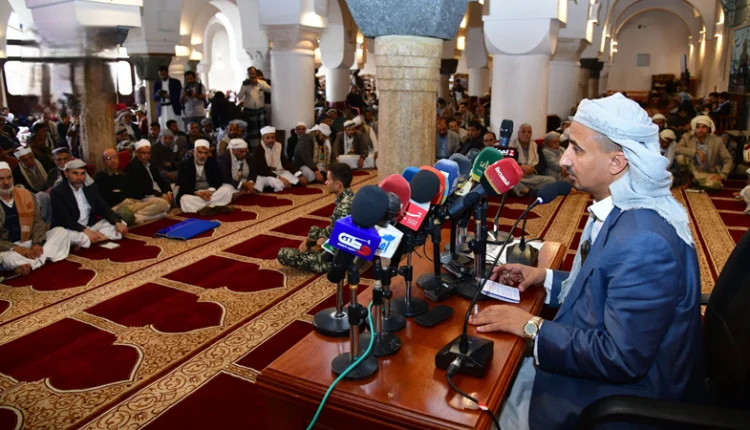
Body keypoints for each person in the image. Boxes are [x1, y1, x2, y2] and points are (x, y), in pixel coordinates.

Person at [471, 93, 703, 430]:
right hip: (587, 369)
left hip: (609, 402)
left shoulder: (643, 241)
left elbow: (621, 358)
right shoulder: (622, 211)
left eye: (577, 149)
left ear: (616, 162)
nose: (564, 159)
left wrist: (530, 326)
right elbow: (604, 286)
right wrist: (544, 277)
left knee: (473, 413)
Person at [277, 163, 354, 272]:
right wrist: (312, 240)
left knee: (283, 254)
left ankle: (312, 253)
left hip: (337, 259)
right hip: (344, 248)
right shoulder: (350, 197)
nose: (326, 182)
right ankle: (311, 248)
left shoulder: (343, 207)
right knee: (314, 230)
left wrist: (321, 243)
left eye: (328, 180)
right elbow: (334, 227)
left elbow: (340, 242)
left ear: (338, 184)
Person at [0, 162, 70, 276]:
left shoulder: (25, 194)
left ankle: (30, 263)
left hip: (30, 241)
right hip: (9, 249)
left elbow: (38, 221)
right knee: (9, 258)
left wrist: (36, 243)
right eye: (1, 179)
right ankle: (40, 259)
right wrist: (15, 248)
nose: (6, 182)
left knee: (61, 232)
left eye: (9, 178)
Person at [51, 159, 128, 248]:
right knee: (63, 235)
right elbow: (66, 219)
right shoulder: (58, 192)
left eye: (82, 173)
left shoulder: (90, 188)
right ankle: (94, 238)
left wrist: (116, 221)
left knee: (122, 224)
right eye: (75, 173)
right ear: (66, 174)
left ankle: (89, 240)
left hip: (90, 226)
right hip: (70, 229)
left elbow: (103, 207)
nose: (79, 177)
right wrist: (85, 231)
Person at [95, 147, 171, 225]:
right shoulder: (100, 177)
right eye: (108, 158)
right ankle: (150, 216)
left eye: (115, 157)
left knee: (162, 203)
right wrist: (121, 193)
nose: (112, 160)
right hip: (118, 207)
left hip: (133, 203)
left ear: (118, 159)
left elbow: (136, 192)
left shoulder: (124, 175)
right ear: (104, 162)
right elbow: (108, 198)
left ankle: (137, 217)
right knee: (125, 214)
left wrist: (120, 192)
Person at [176, 140, 235, 215]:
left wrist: (210, 191)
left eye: (205, 153)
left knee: (228, 188)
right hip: (195, 194)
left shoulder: (212, 162)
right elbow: (184, 186)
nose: (203, 156)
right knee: (184, 199)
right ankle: (215, 206)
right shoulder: (185, 165)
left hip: (210, 193)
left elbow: (218, 180)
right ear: (194, 152)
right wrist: (198, 193)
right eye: (200, 152)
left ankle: (204, 207)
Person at [675, 115, 733, 190]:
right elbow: (677, 149)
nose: (700, 130)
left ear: (708, 128)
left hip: (708, 171)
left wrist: (722, 175)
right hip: (692, 169)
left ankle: (696, 181)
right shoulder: (687, 137)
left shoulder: (716, 140)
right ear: (694, 128)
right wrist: (696, 151)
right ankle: (689, 180)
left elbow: (728, 159)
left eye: (703, 127)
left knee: (715, 185)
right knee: (680, 157)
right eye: (698, 127)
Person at [251, 126, 306, 192]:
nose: (271, 140)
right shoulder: (258, 150)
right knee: (280, 184)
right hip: (265, 175)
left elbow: (285, 162)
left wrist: (299, 175)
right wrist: (279, 178)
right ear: (262, 138)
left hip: (278, 172)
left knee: (297, 180)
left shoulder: (278, 146)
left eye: (273, 137)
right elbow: (262, 170)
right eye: (267, 138)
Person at [509, 123, 556, 196]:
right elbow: (508, 162)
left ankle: (524, 190)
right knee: (508, 180)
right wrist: (521, 167)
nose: (526, 134)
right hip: (518, 177)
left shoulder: (536, 146)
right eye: (523, 132)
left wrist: (533, 170)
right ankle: (530, 191)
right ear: (518, 133)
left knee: (552, 180)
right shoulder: (511, 146)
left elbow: (543, 164)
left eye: (529, 132)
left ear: (531, 134)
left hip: (532, 177)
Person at [237, 69, 271, 147]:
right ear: (248, 75)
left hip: (260, 111)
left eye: (253, 73)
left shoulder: (262, 83)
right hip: (249, 111)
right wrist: (244, 87)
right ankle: (252, 147)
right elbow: (239, 96)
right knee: (251, 132)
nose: (252, 75)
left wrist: (259, 83)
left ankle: (262, 147)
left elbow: (270, 90)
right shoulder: (245, 85)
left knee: (262, 131)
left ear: (256, 74)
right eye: (250, 74)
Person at [153, 65, 183, 131]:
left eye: (164, 74)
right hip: (162, 108)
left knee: (175, 124)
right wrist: (158, 94)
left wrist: (168, 96)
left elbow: (179, 96)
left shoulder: (176, 82)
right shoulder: (157, 83)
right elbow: (154, 98)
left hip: (172, 107)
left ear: (167, 73)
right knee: (163, 126)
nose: (162, 76)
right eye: (161, 75)